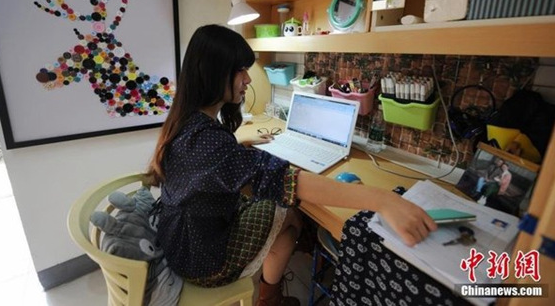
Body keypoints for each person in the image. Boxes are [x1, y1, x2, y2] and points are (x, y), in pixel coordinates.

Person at [146, 24, 437, 306]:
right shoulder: (207, 143)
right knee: (290, 212)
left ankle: (270, 292)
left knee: (285, 213)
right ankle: (269, 299)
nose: (247, 79)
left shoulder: (188, 123)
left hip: (183, 239)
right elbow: (288, 181)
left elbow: (215, 169)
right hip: (201, 260)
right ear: (212, 73)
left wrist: (243, 150)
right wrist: (382, 199)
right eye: (240, 70)